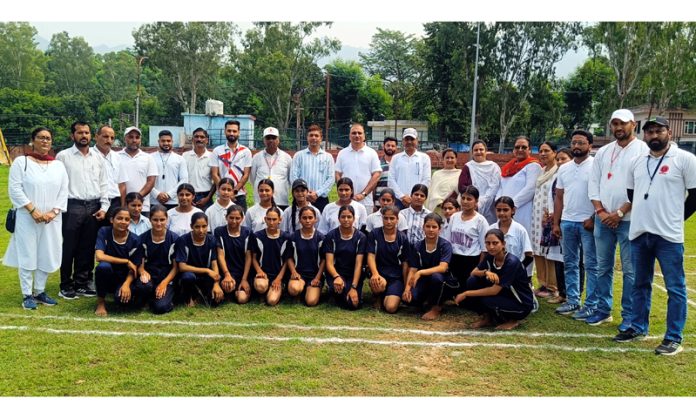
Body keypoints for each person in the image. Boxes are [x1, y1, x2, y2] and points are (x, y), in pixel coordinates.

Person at [614, 116, 696, 356]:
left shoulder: (685, 159)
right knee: (639, 283)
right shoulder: (638, 162)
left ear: (669, 132)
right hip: (640, 232)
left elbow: (695, 195)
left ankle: (673, 337)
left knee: (675, 287)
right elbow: (632, 192)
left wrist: (675, 218)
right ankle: (638, 327)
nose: (653, 135)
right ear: (644, 135)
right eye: (649, 132)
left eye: (658, 131)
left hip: (668, 235)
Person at [588, 109, 649, 329]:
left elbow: (642, 186)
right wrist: (601, 212)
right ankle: (603, 310)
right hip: (603, 219)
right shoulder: (604, 151)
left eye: (622, 123)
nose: (618, 128)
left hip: (630, 220)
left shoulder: (643, 150)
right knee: (602, 267)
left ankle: (630, 315)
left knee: (630, 271)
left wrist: (621, 212)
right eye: (614, 124)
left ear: (633, 124)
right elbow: (593, 183)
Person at [4, 127, 68, 310]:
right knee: (28, 255)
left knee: (47, 253)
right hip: (27, 218)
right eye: (41, 138)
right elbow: (15, 189)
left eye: (48, 138)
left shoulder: (58, 165)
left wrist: (53, 212)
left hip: (51, 220)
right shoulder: (21, 162)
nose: (45, 141)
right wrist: (33, 210)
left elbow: (64, 191)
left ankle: (40, 291)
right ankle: (27, 294)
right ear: (33, 140)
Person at [56, 121, 110, 299]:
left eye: (87, 133)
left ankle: (82, 283)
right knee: (69, 247)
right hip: (73, 206)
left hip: (94, 206)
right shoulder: (63, 157)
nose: (84, 136)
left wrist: (104, 207)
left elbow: (104, 183)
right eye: (80, 133)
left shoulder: (97, 157)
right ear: (72, 136)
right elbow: (58, 184)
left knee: (87, 247)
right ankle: (66, 284)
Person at [552, 130, 598, 320]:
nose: (577, 146)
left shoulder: (597, 166)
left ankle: (592, 304)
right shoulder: (564, 168)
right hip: (568, 222)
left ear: (590, 145)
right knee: (570, 263)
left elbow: (603, 195)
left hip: (588, 222)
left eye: (581, 142)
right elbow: (559, 197)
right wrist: (557, 222)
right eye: (574, 143)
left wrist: (594, 218)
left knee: (591, 265)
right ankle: (572, 300)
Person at [455, 229, 534, 330]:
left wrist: (466, 293)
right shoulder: (490, 257)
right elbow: (473, 273)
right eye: (488, 243)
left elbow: (494, 290)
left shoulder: (511, 262)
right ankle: (487, 318)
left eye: (495, 243)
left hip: (521, 304)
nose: (491, 247)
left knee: (486, 300)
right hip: (505, 294)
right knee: (472, 280)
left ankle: (513, 320)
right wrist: (485, 272)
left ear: (503, 244)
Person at [402, 213, 459, 320]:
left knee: (436, 277)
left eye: (434, 227)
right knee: (411, 300)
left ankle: (436, 307)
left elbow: (443, 268)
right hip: (425, 280)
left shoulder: (445, 245)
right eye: (428, 226)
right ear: (423, 228)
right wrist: (407, 289)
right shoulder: (418, 246)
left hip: (444, 280)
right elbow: (413, 269)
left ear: (439, 229)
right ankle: (427, 300)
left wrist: (421, 272)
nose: (431, 229)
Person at [93, 207, 143, 316]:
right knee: (103, 267)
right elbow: (99, 256)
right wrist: (125, 261)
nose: (123, 222)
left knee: (121, 302)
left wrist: (126, 284)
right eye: (119, 218)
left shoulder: (135, 240)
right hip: (108, 274)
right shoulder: (104, 231)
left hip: (125, 277)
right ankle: (101, 303)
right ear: (112, 220)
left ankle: (123, 292)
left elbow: (133, 268)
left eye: (126, 219)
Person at [442, 186, 489, 286]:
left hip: (472, 261)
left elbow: (484, 249)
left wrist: (478, 268)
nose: (465, 201)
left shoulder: (481, 221)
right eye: (463, 198)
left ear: (476, 201)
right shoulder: (454, 217)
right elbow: (447, 241)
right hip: (454, 259)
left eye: (469, 199)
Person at [496, 136, 542, 239]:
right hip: (504, 210)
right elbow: (500, 187)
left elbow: (530, 188)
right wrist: (499, 204)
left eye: (524, 147)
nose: (520, 150)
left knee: (520, 238)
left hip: (522, 209)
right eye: (517, 147)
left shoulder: (533, 166)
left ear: (529, 150)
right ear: (513, 150)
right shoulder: (508, 167)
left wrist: (512, 205)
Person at [366, 205, 410, 313]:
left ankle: (391, 294)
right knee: (379, 285)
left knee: (390, 308)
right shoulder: (374, 234)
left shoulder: (402, 238)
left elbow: (405, 263)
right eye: (386, 218)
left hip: (396, 276)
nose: (389, 221)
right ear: (382, 219)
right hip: (379, 273)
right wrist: (375, 273)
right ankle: (377, 296)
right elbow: (370, 255)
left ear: (397, 219)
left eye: (392, 218)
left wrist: (405, 285)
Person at [136, 205, 179, 314]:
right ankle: (148, 298)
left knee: (160, 308)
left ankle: (168, 299)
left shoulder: (174, 239)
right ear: (150, 220)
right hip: (150, 275)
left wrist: (164, 283)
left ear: (167, 219)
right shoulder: (142, 238)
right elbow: (140, 265)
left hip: (167, 277)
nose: (159, 223)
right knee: (144, 286)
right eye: (155, 220)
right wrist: (142, 272)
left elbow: (175, 267)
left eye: (162, 220)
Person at [175, 212, 223, 307]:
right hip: (190, 274)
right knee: (188, 277)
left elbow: (214, 263)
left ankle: (202, 295)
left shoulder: (211, 240)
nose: (201, 230)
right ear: (191, 226)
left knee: (215, 303)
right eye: (197, 227)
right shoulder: (183, 240)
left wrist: (216, 283)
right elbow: (182, 267)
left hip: (205, 276)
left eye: (204, 226)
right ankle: (188, 296)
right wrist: (207, 270)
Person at [324, 205, 367, 310]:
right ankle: (332, 290)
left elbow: (358, 264)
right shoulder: (331, 236)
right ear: (338, 219)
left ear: (354, 218)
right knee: (342, 295)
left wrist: (353, 287)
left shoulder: (361, 237)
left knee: (353, 305)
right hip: (337, 274)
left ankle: (341, 292)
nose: (346, 220)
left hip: (353, 274)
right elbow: (329, 263)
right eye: (343, 217)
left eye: (349, 217)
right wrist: (336, 277)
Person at [530, 141, 559, 299]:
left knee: (549, 251)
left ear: (554, 152)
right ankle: (542, 283)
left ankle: (552, 286)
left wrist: (552, 215)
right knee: (538, 250)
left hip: (549, 216)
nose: (542, 154)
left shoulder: (558, 172)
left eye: (546, 151)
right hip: (536, 216)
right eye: (540, 151)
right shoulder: (541, 171)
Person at [545, 148, 573, 305]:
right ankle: (562, 293)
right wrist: (552, 216)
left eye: (564, 159)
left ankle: (572, 294)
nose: (561, 162)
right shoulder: (557, 177)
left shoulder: (572, 177)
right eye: (559, 159)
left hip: (568, 221)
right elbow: (553, 199)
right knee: (557, 259)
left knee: (571, 260)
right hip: (556, 223)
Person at [249, 207, 293, 306]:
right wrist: (259, 271)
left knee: (271, 301)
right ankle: (261, 291)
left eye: (274, 219)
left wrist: (279, 278)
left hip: (277, 274)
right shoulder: (257, 236)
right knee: (261, 286)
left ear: (280, 220)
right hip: (262, 274)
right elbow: (253, 258)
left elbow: (286, 260)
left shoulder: (286, 237)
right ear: (265, 219)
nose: (271, 222)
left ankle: (278, 288)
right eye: (269, 219)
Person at [335, 123, 382, 213]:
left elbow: (376, 175)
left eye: (359, 133)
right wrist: (344, 193)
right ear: (349, 136)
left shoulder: (371, 153)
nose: (357, 135)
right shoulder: (342, 153)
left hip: (365, 201)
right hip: (346, 201)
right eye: (354, 133)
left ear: (364, 136)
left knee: (364, 227)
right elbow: (337, 174)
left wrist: (363, 194)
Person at [286, 206, 326, 307]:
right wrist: (294, 272)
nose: (307, 220)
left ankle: (312, 290)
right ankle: (300, 290)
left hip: (314, 275)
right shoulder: (293, 237)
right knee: (294, 290)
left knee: (311, 302)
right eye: (304, 218)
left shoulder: (320, 238)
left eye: (310, 217)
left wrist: (318, 277)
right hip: (299, 275)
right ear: (300, 220)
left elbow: (324, 260)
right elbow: (289, 257)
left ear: (315, 219)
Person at [290, 124, 334, 212]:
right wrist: (304, 193)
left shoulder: (328, 157)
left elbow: (331, 178)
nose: (314, 138)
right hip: (301, 198)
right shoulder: (299, 156)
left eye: (316, 135)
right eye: (311, 135)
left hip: (321, 199)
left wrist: (317, 193)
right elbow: (293, 177)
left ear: (321, 138)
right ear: (307, 137)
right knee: (299, 224)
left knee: (321, 225)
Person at [209, 120, 252, 211]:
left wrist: (234, 191)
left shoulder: (246, 151)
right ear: (225, 131)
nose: (231, 133)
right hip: (221, 196)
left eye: (234, 131)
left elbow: (246, 175)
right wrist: (225, 191)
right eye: (229, 131)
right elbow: (214, 174)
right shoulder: (217, 151)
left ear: (239, 132)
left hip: (238, 195)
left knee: (240, 222)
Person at [214, 205, 253, 304]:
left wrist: (244, 279)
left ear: (242, 218)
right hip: (227, 272)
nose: (234, 221)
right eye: (231, 218)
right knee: (228, 287)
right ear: (226, 217)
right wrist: (227, 275)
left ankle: (239, 290)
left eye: (237, 218)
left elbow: (249, 257)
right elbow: (220, 255)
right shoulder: (219, 231)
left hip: (243, 272)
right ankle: (230, 290)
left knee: (242, 299)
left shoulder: (247, 232)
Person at [489, 197, 534, 279]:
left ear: (513, 210)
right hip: (495, 272)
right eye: (498, 210)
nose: (502, 213)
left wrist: (518, 269)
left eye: (505, 210)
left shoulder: (520, 230)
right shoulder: (491, 229)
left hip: (515, 273)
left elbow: (529, 255)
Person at [117, 126, 158, 216]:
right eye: (131, 137)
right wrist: (125, 203)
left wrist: (136, 200)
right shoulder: (116, 156)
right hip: (121, 205)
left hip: (142, 206)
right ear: (125, 138)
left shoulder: (148, 158)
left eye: (137, 137)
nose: (134, 140)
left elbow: (151, 182)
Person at [388, 128, 432, 209]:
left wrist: (415, 197)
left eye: (412, 139)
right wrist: (402, 197)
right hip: (399, 201)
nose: (409, 142)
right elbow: (391, 180)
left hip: (417, 201)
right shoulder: (396, 158)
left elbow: (427, 179)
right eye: (407, 139)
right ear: (403, 141)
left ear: (417, 140)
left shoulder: (424, 158)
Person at [250, 127, 293, 210]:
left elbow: (290, 179)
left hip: (281, 200)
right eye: (268, 138)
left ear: (278, 140)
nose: (271, 140)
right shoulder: (256, 157)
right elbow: (252, 178)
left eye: (273, 138)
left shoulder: (287, 158)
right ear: (264, 140)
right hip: (261, 201)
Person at [462, 140, 501, 224]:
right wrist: (474, 200)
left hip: (490, 205)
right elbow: (462, 186)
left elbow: (495, 185)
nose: (478, 152)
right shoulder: (468, 166)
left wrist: (483, 200)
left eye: (481, 149)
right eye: (476, 150)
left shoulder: (494, 167)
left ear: (486, 151)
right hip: (472, 205)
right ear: (472, 153)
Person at [150, 129, 188, 210]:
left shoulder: (180, 159)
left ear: (172, 141)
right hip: (154, 200)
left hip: (173, 201)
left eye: (168, 141)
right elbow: (146, 180)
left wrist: (169, 195)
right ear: (158, 141)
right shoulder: (150, 158)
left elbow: (184, 179)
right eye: (163, 141)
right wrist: (157, 194)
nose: (166, 143)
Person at [92, 125, 123, 222]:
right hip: (95, 202)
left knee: (112, 234)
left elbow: (122, 184)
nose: (109, 140)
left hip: (114, 202)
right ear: (96, 137)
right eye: (105, 136)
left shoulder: (117, 157)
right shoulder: (89, 155)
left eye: (112, 138)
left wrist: (122, 206)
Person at [182, 127, 215, 211]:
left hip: (206, 196)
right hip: (188, 196)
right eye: (196, 137)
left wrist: (208, 198)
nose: (199, 139)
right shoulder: (185, 156)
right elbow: (182, 178)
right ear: (192, 139)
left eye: (202, 137)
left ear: (206, 140)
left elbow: (216, 180)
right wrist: (188, 197)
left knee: (205, 223)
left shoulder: (212, 157)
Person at [426, 148, 461, 215]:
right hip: (438, 209)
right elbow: (431, 192)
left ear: (456, 160)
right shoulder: (436, 174)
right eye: (447, 158)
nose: (449, 160)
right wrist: (440, 202)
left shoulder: (460, 173)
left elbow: (461, 193)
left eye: (452, 158)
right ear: (443, 160)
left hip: (453, 210)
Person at [373, 136, 398, 211]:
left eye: (393, 146)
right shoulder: (377, 164)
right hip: (379, 203)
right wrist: (373, 203)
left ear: (396, 148)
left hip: (396, 204)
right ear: (384, 146)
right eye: (388, 145)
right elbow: (373, 185)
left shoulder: (399, 164)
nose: (390, 147)